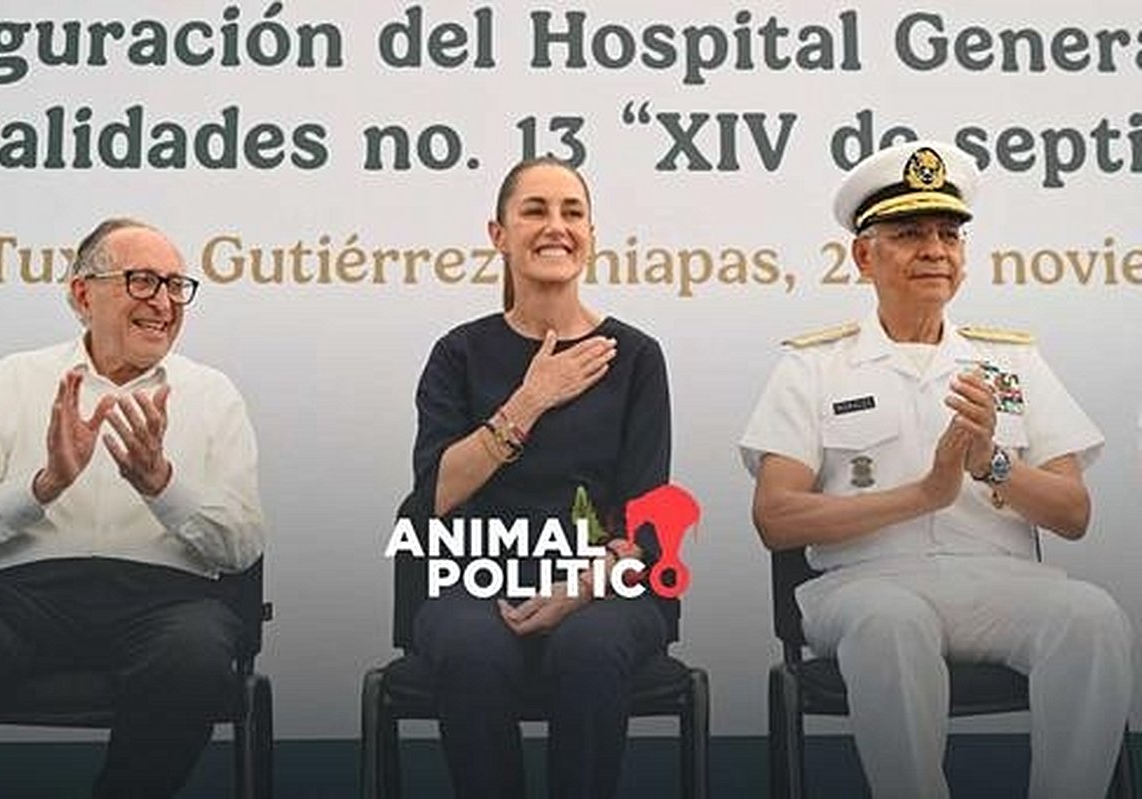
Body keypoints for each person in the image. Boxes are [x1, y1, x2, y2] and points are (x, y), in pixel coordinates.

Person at [739, 141, 1132, 799]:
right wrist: (925, 493)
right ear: (864, 257)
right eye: (909, 234)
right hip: (863, 584)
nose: (935, 250)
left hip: (999, 584)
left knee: (1091, 617)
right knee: (891, 621)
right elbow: (775, 518)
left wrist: (993, 463)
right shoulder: (814, 366)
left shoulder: (1011, 361)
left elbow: (1073, 513)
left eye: (949, 235)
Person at [0, 218, 264, 798]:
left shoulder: (213, 394)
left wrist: (162, 486)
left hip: (164, 606)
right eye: (143, 281)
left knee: (197, 647)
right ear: (82, 293)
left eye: (176, 285)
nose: (164, 302)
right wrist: (41, 487)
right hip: (26, 604)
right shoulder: (15, 379)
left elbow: (241, 547)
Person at [409, 157, 674, 798]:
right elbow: (436, 494)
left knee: (589, 649)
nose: (556, 226)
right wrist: (530, 400)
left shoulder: (635, 357)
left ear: (591, 236)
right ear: (499, 235)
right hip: (474, 577)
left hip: (606, 582)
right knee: (473, 650)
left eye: (571, 212)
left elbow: (644, 518)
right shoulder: (458, 353)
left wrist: (581, 588)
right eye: (535, 211)